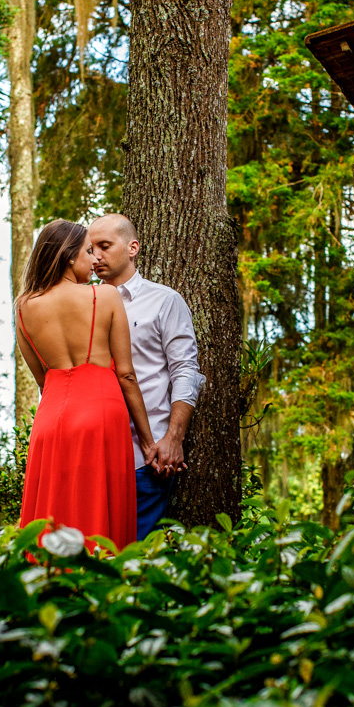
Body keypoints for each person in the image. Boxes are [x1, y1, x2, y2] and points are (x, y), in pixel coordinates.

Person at [16, 219, 157, 551]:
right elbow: (126, 375)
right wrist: (148, 442)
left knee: (51, 514)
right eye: (88, 251)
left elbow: (42, 379)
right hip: (100, 414)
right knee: (99, 515)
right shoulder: (104, 296)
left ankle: (49, 586)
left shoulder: (23, 308)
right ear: (69, 257)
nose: (94, 260)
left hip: (50, 419)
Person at [87, 214, 206, 540]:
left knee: (136, 561)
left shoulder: (164, 301)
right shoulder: (85, 306)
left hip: (147, 458)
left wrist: (174, 438)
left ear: (132, 247)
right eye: (90, 248)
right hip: (94, 458)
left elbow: (185, 371)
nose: (95, 256)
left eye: (105, 246)